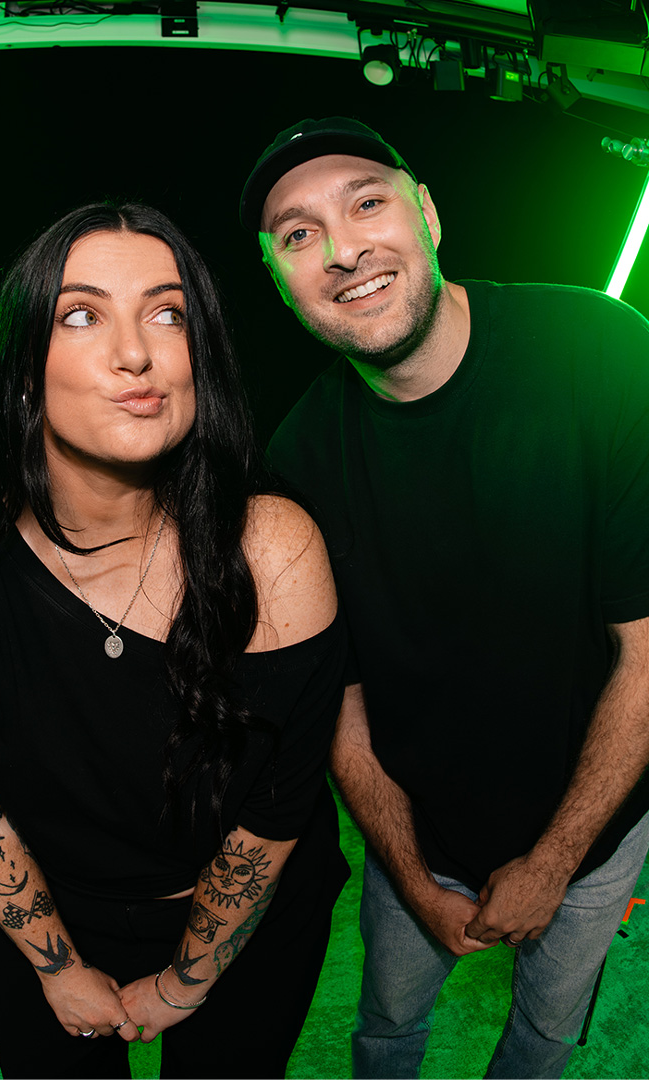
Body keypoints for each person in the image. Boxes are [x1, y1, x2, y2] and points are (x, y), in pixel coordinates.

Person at [0, 202, 349, 1079]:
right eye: (82, 316)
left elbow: (275, 812)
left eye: (167, 314)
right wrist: (57, 969)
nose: (137, 353)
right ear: (24, 367)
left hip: (247, 919)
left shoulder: (273, 546)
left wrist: (184, 982)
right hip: (45, 916)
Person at [238, 115, 649, 1079]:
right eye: (298, 234)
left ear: (425, 213)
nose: (344, 251)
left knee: (546, 1035)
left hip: (597, 835)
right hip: (416, 843)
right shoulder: (296, 462)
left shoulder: (598, 347)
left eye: (367, 203)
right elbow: (339, 706)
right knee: (386, 1029)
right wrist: (413, 879)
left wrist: (555, 861)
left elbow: (646, 651)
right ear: (278, 278)